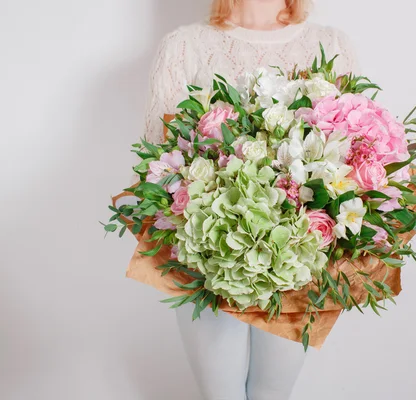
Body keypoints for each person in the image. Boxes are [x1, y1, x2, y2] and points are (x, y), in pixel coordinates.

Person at [142, 1, 360, 399]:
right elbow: (160, 166)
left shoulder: (330, 44)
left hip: (300, 259)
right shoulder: (183, 47)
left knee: (272, 395)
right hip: (210, 256)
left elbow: (350, 156)